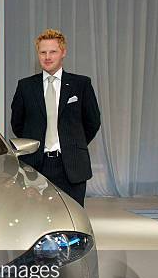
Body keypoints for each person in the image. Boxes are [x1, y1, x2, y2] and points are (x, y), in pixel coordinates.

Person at [10, 29, 100, 207]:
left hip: (72, 166)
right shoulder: (26, 86)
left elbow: (92, 122)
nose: (47, 57)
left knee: (71, 218)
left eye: (53, 52)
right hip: (36, 166)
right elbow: (17, 124)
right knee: (36, 218)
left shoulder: (81, 84)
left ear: (63, 52)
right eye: (43, 52)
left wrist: (72, 143)